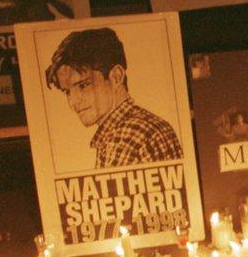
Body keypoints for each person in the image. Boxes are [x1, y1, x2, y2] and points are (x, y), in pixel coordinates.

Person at [45, 28, 183, 168]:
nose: (73, 102)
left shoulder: (125, 138)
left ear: (116, 76)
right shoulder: (152, 124)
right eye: (67, 92)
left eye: (84, 85)